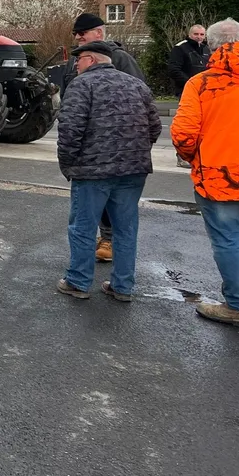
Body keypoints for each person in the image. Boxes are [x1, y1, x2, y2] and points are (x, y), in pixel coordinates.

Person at [56, 41, 160, 302]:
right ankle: (122, 286)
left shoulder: (81, 85)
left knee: (83, 227)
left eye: (78, 60)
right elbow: (155, 127)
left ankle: (78, 282)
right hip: (133, 170)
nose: (76, 65)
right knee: (125, 229)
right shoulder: (136, 84)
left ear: (90, 59)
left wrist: (68, 164)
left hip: (93, 171)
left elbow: (70, 130)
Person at [60, 12, 147, 263]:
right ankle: (109, 264)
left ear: (99, 33)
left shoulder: (121, 59)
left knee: (111, 206)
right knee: (88, 209)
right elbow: (70, 102)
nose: (77, 37)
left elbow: (142, 101)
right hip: (88, 150)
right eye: (75, 34)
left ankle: (106, 241)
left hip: (118, 150)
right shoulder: (77, 60)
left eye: (82, 33)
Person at [170, 18, 239, 327]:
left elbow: (184, 135)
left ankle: (236, 304)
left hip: (219, 177)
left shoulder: (200, 84)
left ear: (209, 45)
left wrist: (196, 158)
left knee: (228, 240)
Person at [168, 24, 209, 167]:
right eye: (196, 34)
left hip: (205, 92)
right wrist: (191, 84)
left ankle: (198, 153)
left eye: (202, 34)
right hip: (187, 91)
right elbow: (174, 70)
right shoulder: (180, 48)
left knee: (203, 124)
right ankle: (182, 155)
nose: (199, 37)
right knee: (187, 123)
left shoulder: (206, 49)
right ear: (190, 34)